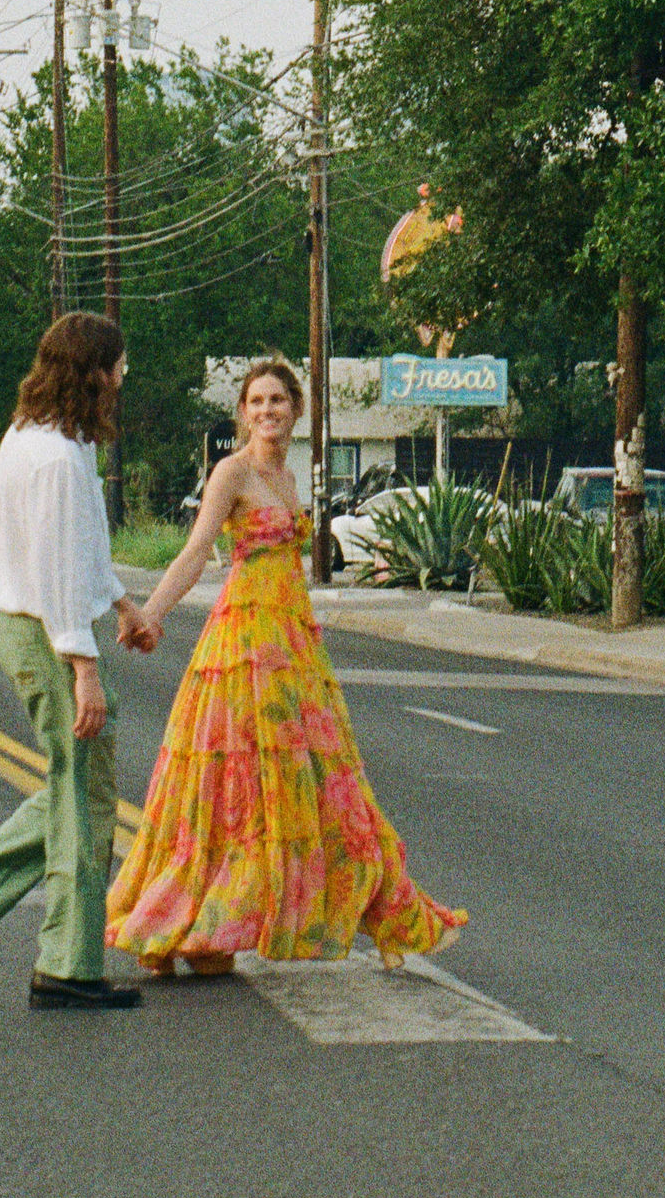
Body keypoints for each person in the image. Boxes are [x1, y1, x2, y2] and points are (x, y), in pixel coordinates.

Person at [107, 354, 465, 974]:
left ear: (296, 409)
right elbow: (196, 551)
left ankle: (226, 922)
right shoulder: (232, 472)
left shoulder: (291, 478)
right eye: (256, 402)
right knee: (232, 781)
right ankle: (183, 924)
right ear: (243, 413)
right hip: (243, 644)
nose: (267, 410)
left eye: (277, 400)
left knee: (311, 784)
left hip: (293, 645)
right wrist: (152, 615)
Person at [0, 313, 159, 1011]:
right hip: (46, 635)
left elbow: (77, 552)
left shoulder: (41, 439)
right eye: (118, 364)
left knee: (80, 791)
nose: (123, 376)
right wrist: (84, 668)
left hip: (37, 629)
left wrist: (121, 603)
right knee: (81, 802)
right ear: (94, 371)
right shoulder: (55, 458)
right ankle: (67, 966)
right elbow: (54, 574)